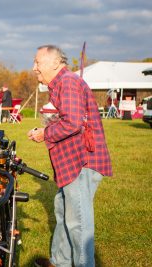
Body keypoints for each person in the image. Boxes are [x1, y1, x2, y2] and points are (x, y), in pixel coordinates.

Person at [28, 45, 112, 267]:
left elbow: (73, 123)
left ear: (55, 63)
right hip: (72, 161)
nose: (34, 67)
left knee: (79, 221)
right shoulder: (60, 84)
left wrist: (45, 133)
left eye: (38, 62)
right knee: (64, 211)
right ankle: (60, 262)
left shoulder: (68, 82)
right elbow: (71, 119)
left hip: (81, 162)